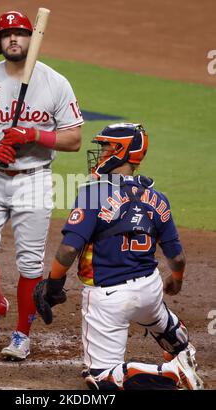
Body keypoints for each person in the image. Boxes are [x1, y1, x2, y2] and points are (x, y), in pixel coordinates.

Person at [0, 10, 84, 360]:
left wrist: (33, 134)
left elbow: (73, 139)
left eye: (21, 33)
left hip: (35, 179)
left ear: (32, 39)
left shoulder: (55, 82)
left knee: (29, 264)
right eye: (6, 34)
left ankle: (21, 336)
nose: (14, 38)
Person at [35, 123, 204, 389]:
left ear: (120, 151)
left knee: (101, 379)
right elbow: (178, 257)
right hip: (150, 287)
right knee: (155, 315)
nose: (100, 153)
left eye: (104, 147)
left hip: (108, 299)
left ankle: (173, 374)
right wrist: (177, 280)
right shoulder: (156, 197)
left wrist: (53, 284)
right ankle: (182, 348)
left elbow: (68, 249)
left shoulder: (93, 193)